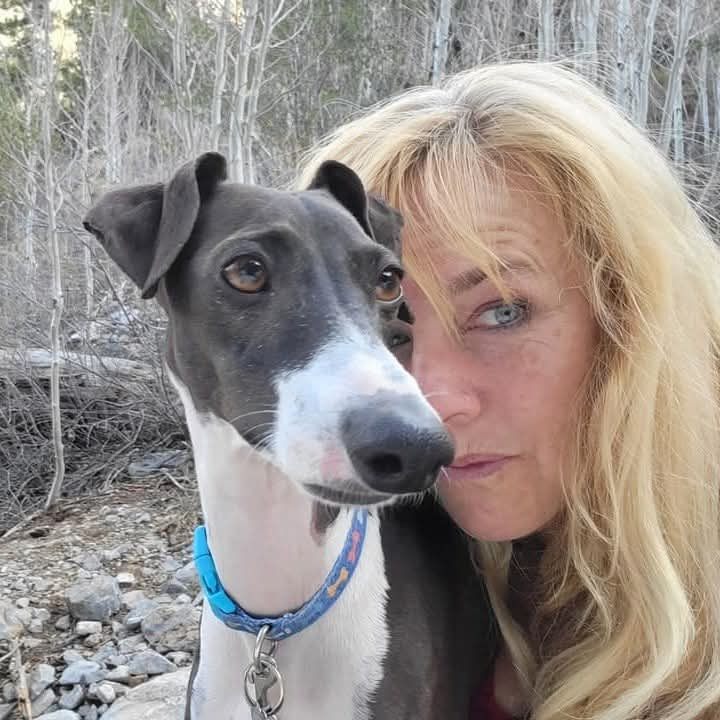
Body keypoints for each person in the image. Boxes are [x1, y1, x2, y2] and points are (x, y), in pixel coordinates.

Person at [297, 61, 720, 720]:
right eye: (385, 329)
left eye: (502, 311)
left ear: (629, 318)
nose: (430, 401)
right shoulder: (384, 560)